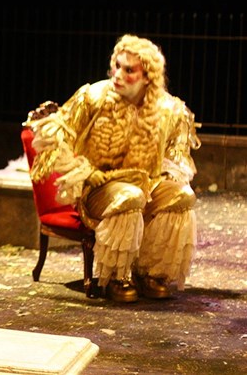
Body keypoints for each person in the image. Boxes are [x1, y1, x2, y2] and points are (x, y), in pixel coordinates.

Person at [26, 34, 201, 303]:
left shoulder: (169, 109)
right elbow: (54, 135)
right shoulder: (94, 96)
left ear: (148, 77)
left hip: (146, 185)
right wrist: (83, 171)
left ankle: (151, 271)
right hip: (100, 188)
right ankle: (118, 276)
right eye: (117, 66)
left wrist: (168, 176)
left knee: (182, 196)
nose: (118, 75)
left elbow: (177, 154)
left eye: (129, 70)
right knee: (130, 196)